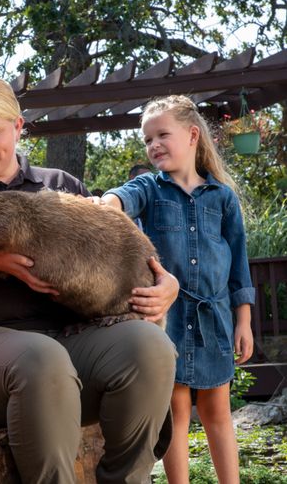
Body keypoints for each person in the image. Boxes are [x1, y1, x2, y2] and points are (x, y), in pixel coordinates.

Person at [0, 72, 178, 484]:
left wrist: (166, 286)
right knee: (42, 358)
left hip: (69, 339)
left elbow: (118, 248)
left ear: (18, 126)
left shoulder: (59, 186)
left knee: (148, 345)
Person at [102, 95, 255, 484]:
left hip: (215, 320)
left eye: (162, 135)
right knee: (177, 412)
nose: (154, 145)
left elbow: (239, 265)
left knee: (218, 412)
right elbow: (124, 196)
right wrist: (108, 203)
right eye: (147, 140)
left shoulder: (221, 198)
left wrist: (244, 321)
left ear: (191, 135)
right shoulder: (151, 190)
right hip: (168, 321)